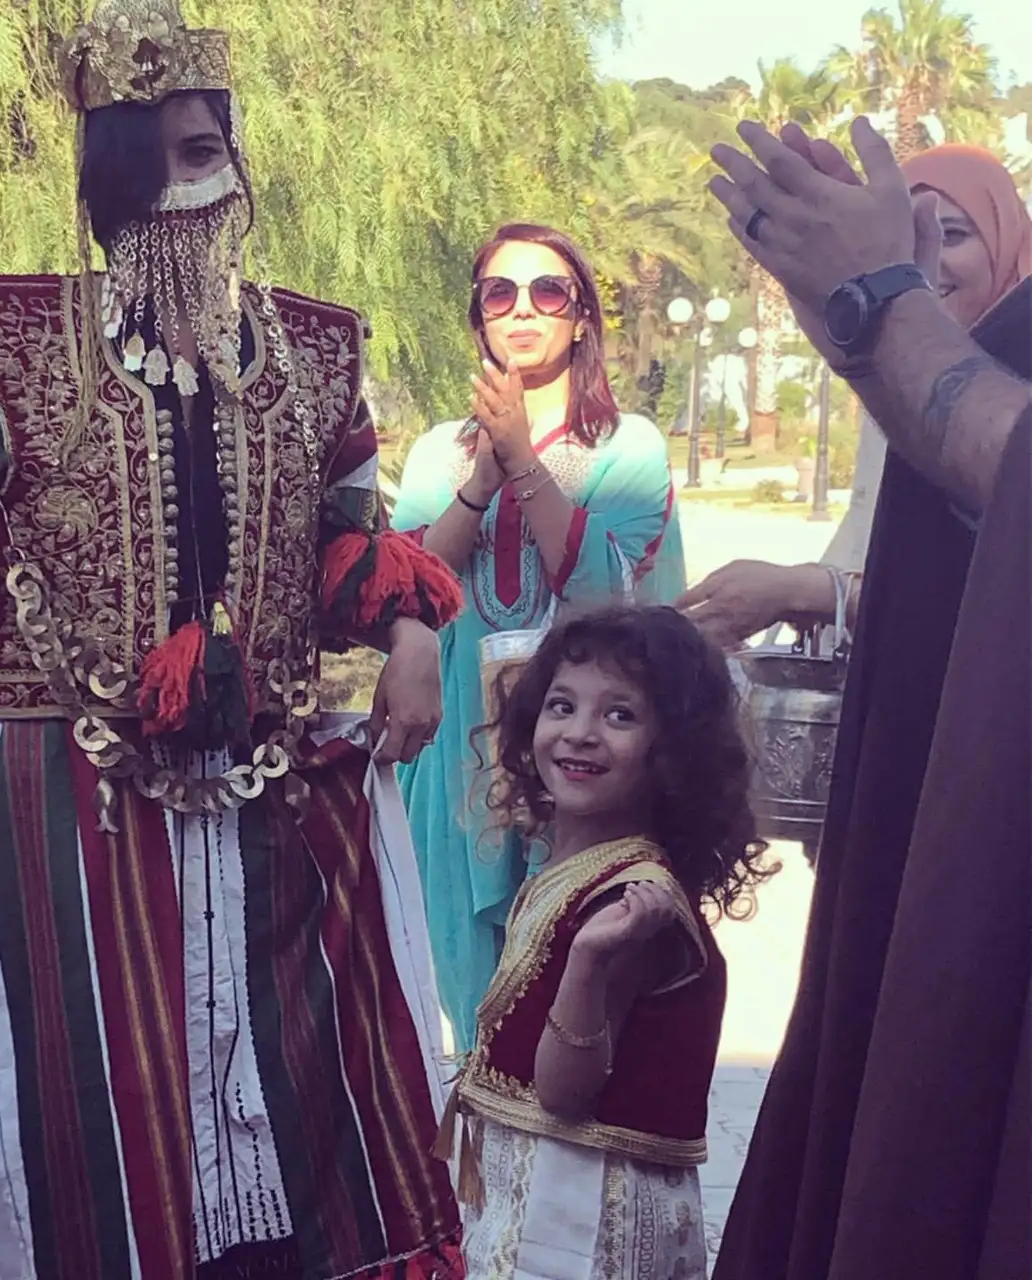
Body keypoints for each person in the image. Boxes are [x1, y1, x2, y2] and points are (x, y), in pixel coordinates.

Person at [0, 2, 465, 1274]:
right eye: (165, 158)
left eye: (211, 151)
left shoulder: (315, 349)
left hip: (270, 790)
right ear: (107, 183)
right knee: (97, 1110)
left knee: (308, 1100)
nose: (195, 187)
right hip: (61, 796)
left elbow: (346, 541)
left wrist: (412, 635)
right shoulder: (16, 345)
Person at [706, 116, 1030, 1279]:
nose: (929, 258)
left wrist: (881, 307)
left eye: (953, 236)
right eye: (910, 234)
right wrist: (861, 328)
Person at [391, 224, 685, 1049]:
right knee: (466, 999)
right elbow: (413, 589)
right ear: (480, 317)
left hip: (585, 754)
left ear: (581, 316)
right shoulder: (436, 455)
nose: (523, 309)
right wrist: (480, 480)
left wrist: (523, 458)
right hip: (459, 756)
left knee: (574, 988)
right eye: (500, 293)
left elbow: (600, 592)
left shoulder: (627, 447)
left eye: (547, 291)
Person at [433, 604, 775, 1277]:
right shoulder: (579, 867)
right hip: (539, 1199)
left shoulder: (629, 901)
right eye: (561, 706)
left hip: (580, 1217)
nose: (580, 733)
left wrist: (587, 962)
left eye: (620, 715)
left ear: (672, 751)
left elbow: (564, 1094)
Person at [679, 143, 1032, 650]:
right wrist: (864, 359)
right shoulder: (897, 381)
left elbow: (992, 579)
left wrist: (814, 590)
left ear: (1005, 241)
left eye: (951, 235)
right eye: (900, 244)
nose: (921, 264)